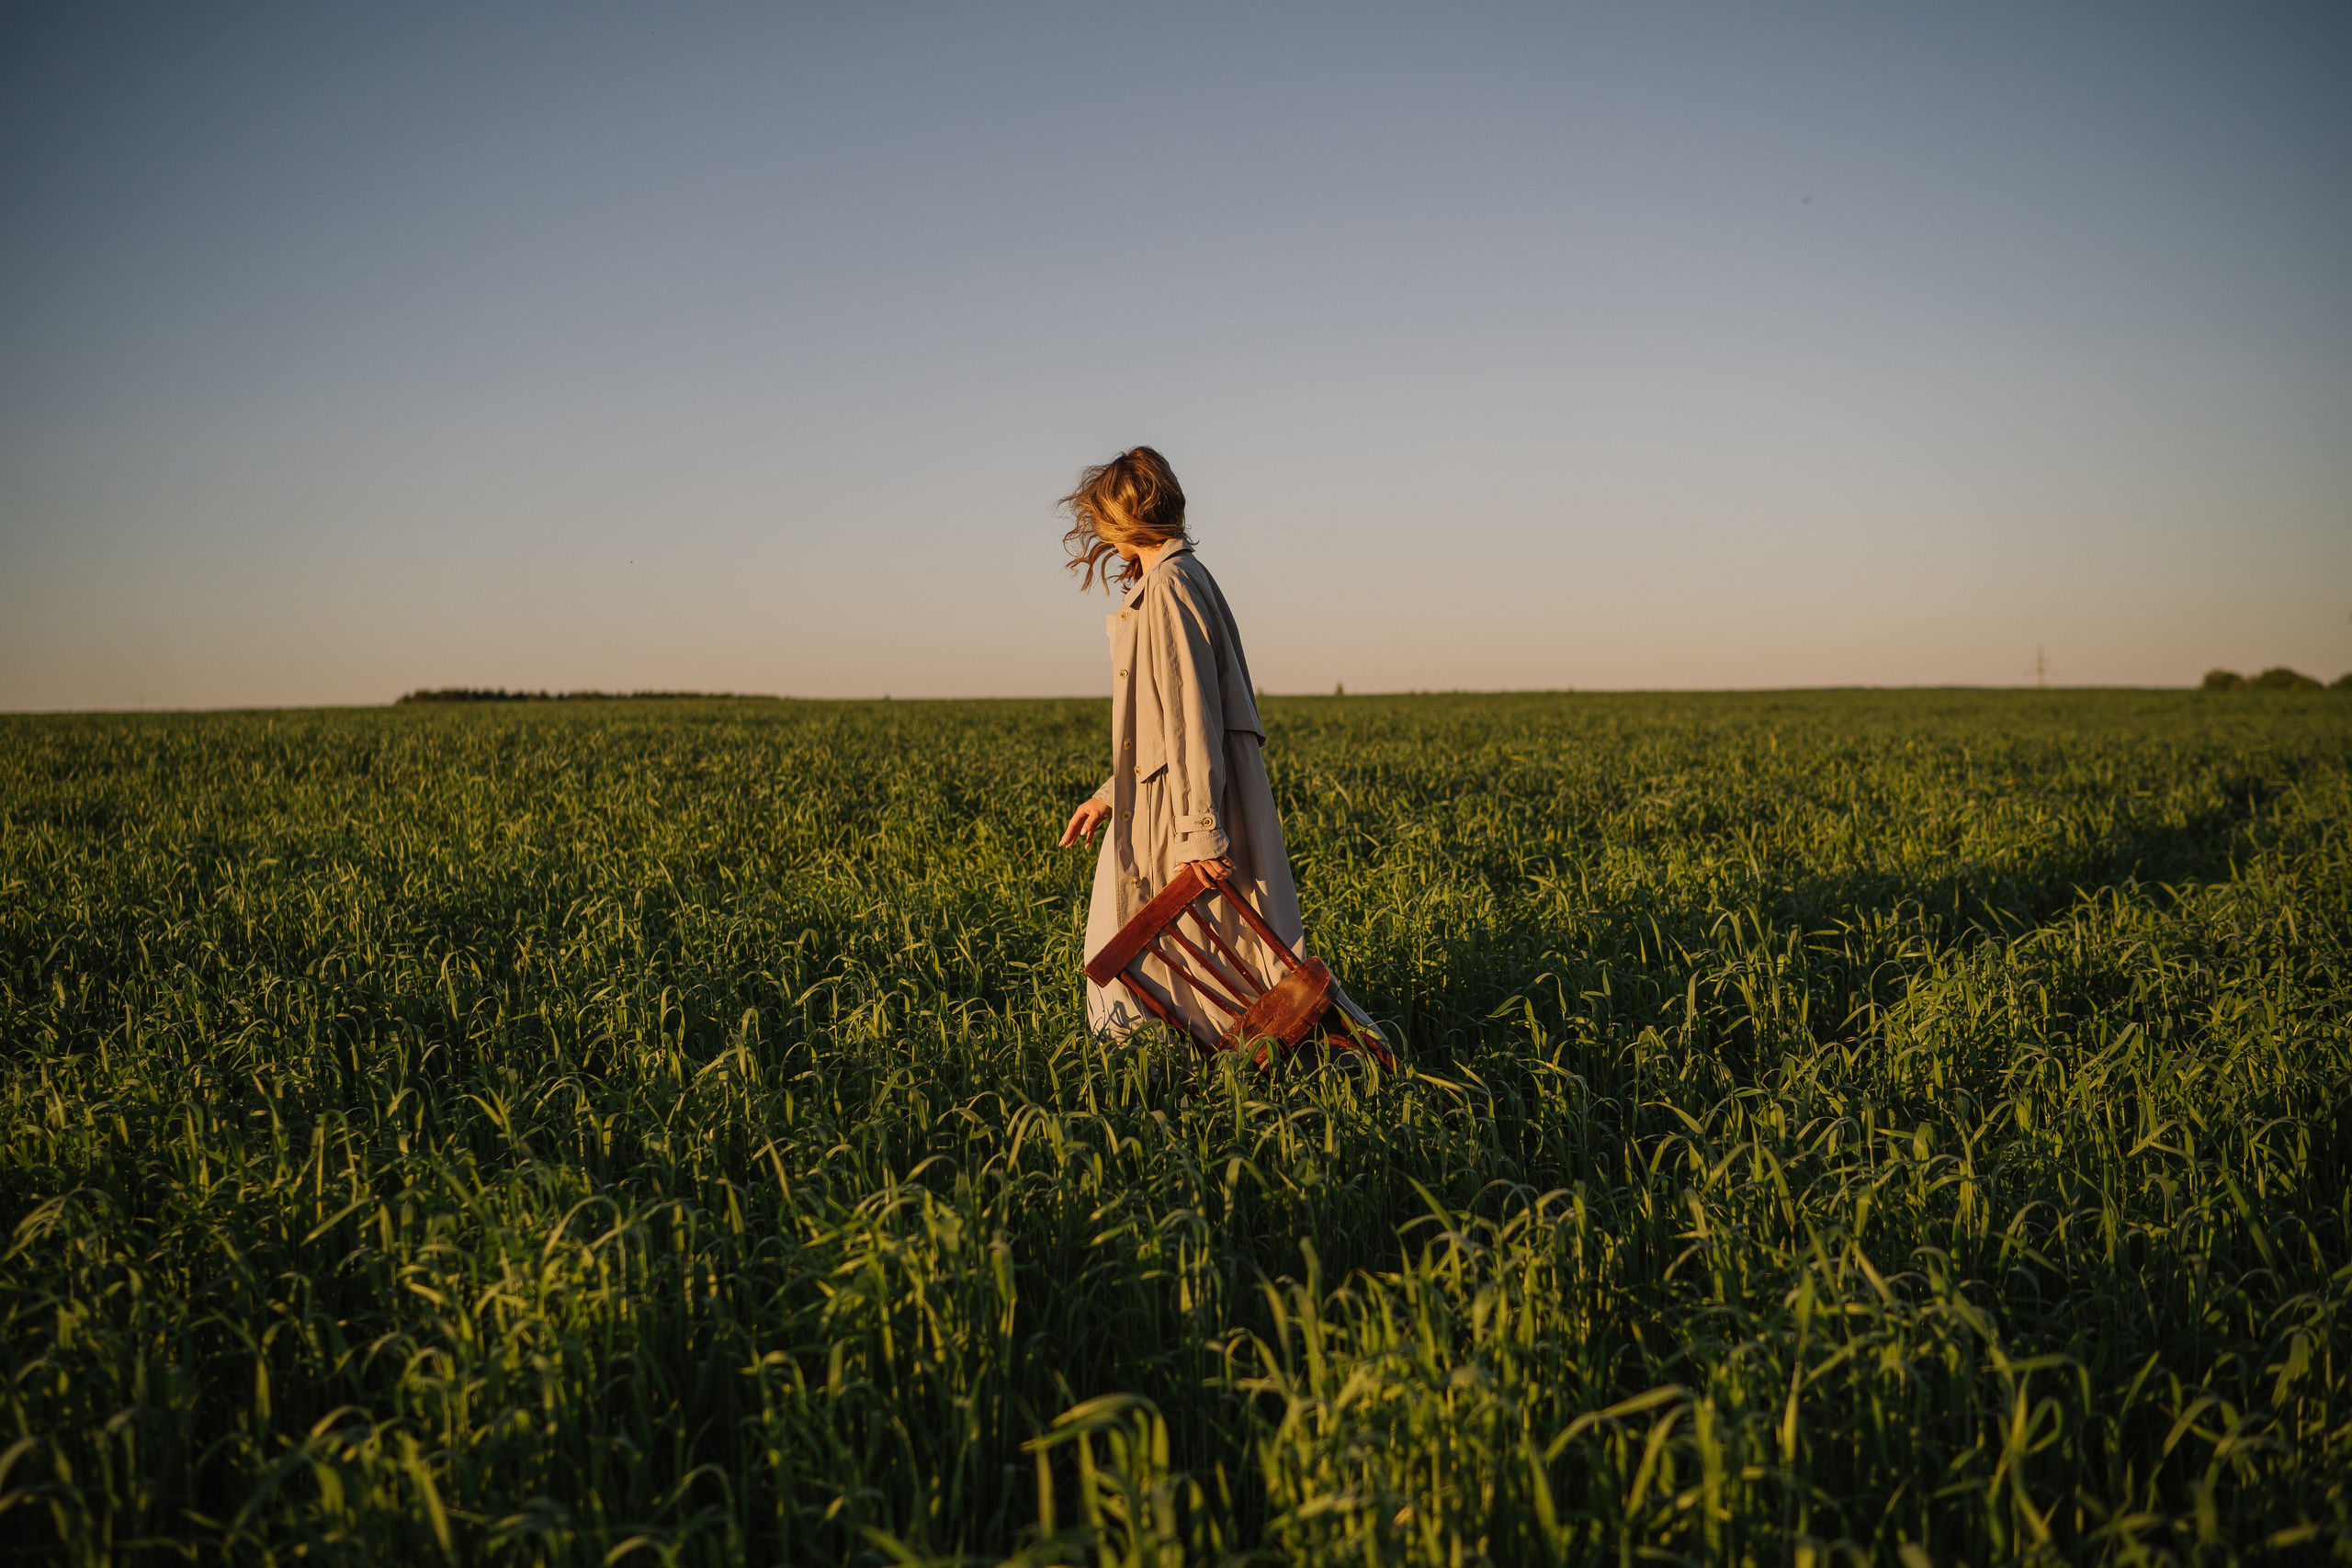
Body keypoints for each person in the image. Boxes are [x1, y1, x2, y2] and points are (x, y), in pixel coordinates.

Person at [1054, 446, 1306, 1043]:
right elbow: (1160, 727)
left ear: (1124, 516)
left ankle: (1175, 1071)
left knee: (1163, 944)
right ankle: (1212, 1068)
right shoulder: (1174, 577)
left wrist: (1198, 831)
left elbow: (1192, 714)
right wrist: (1110, 794)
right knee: (1204, 947)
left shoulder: (1171, 583)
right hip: (1173, 796)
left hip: (1183, 805)